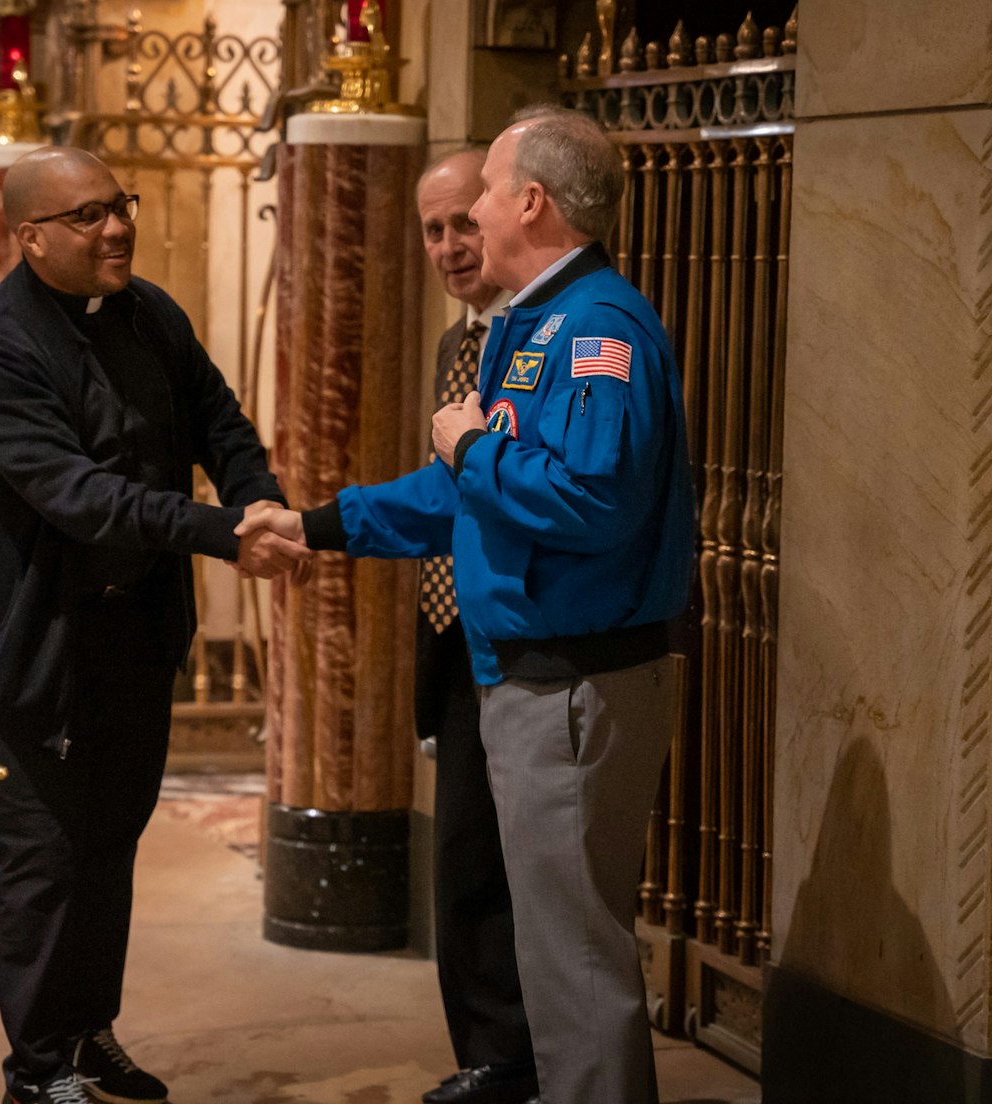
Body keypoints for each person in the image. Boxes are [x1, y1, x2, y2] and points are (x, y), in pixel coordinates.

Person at [238, 109, 695, 1104]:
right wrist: (317, 527)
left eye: (485, 189)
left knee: (575, 961)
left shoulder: (597, 333)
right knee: (551, 948)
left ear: (529, 201)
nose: (471, 212)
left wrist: (469, 446)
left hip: (575, 673)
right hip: (527, 671)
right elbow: (466, 498)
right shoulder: (532, 327)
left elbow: (589, 500)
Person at [0, 146, 309, 1104]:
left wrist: (258, 501)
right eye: (89, 216)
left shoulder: (149, 312)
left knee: (113, 837)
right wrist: (228, 534)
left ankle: (85, 1030)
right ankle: (33, 1072)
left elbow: (218, 422)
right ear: (30, 238)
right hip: (40, 638)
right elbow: (82, 498)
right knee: (45, 850)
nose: (118, 228)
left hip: (136, 629)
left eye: (121, 206)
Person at [411, 148, 537, 1104]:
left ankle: (516, 1061)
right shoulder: (461, 340)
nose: (452, 245)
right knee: (461, 860)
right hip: (456, 636)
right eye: (434, 229)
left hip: (527, 635)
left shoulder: (548, 336)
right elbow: (441, 503)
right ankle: (489, 1057)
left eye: (465, 220)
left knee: (505, 867)